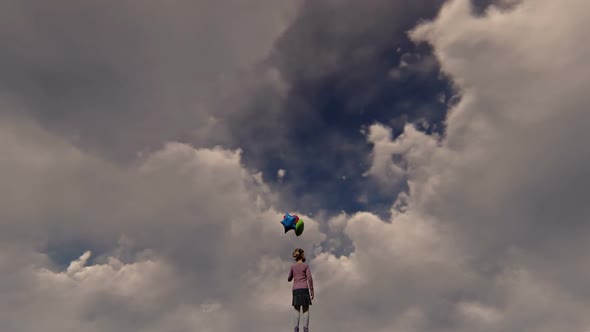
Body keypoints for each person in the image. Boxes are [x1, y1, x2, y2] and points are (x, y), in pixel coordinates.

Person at [288, 248, 314, 332]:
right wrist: (312, 290)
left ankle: (296, 329)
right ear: (302, 256)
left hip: (295, 290)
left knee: (296, 310)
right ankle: (305, 329)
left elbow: (289, 278)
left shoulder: (293, 267)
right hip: (304, 289)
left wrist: (293, 274)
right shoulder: (305, 266)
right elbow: (309, 278)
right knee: (305, 309)